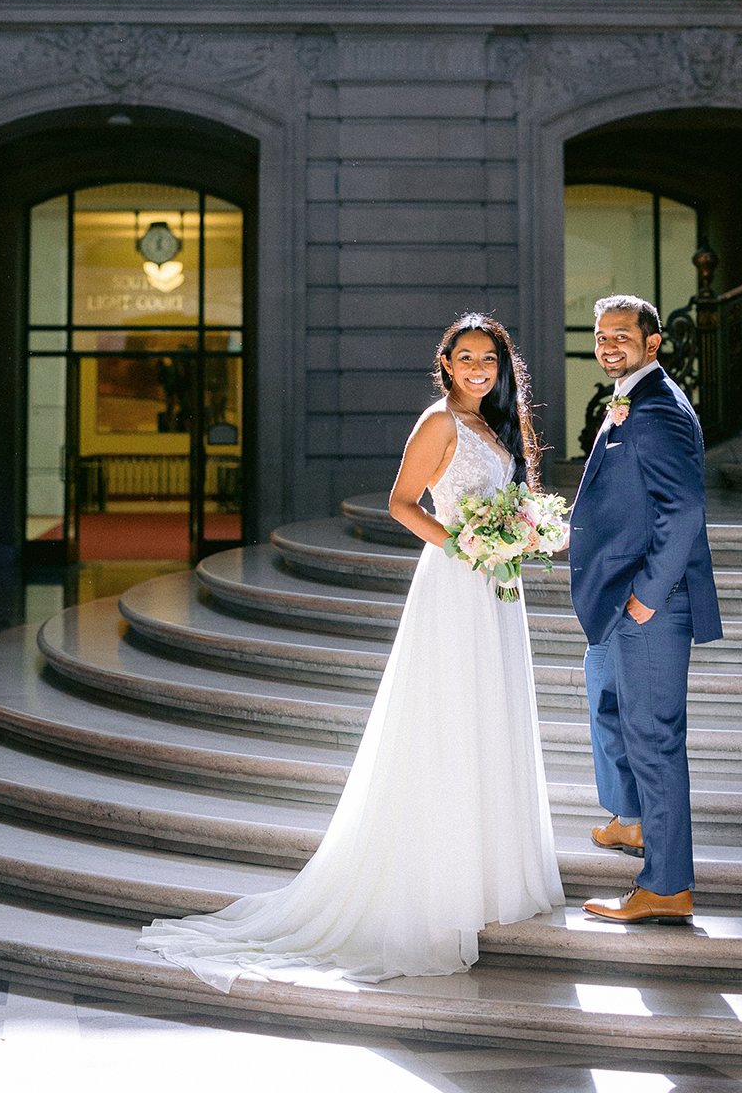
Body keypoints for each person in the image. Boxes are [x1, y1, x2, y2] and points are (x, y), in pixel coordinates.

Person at [138, 312, 564, 988]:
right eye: (468, 358)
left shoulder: (493, 424)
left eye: (490, 359)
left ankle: (489, 876)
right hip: (456, 582)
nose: (480, 368)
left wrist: (520, 535)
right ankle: (441, 885)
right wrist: (463, 545)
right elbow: (402, 503)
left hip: (495, 590)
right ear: (446, 363)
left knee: (493, 716)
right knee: (449, 719)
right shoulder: (439, 422)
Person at [568, 294, 723, 925]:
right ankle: (632, 821)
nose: (608, 346)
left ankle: (665, 885)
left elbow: (682, 511)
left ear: (652, 343)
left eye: (622, 337)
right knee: (612, 709)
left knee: (654, 740)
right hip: (617, 594)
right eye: (601, 337)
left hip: (650, 605)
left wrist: (645, 600)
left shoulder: (657, 407)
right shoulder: (634, 396)